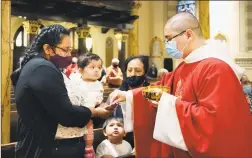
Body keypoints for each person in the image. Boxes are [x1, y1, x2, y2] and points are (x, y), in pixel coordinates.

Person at [109, 12, 252, 158]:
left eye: (169, 39)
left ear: (188, 35)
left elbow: (214, 123)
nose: (167, 46)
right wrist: (129, 95)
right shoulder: (185, 65)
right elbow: (162, 86)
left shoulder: (217, 68)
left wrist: (167, 103)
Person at [10, 24, 112, 158]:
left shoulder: (43, 66)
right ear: (47, 48)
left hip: (56, 144)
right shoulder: (43, 68)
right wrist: (95, 112)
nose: (69, 55)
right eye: (65, 50)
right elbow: (65, 113)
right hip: (51, 148)